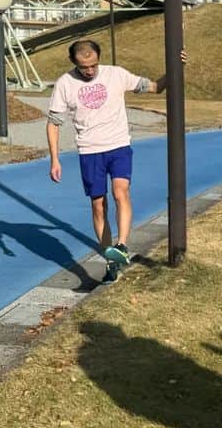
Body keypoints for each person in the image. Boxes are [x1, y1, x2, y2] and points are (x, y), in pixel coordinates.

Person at [47, 40, 182, 284]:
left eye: (94, 65)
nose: (90, 70)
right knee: (99, 206)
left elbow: (156, 87)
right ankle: (111, 261)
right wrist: (55, 159)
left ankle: (121, 245)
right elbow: (53, 124)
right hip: (89, 151)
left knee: (121, 193)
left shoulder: (116, 75)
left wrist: (175, 66)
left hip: (118, 145)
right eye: (84, 66)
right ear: (74, 63)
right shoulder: (64, 84)